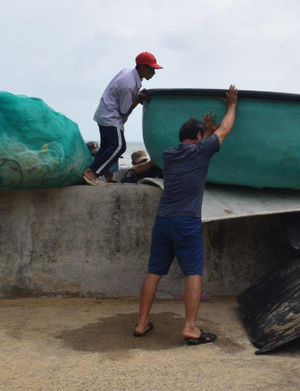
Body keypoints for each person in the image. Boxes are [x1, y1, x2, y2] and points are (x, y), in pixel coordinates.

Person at [133, 85, 238, 345]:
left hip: (163, 221)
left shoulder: (169, 154)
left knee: (153, 272)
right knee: (193, 273)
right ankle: (190, 328)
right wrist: (232, 106)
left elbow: (209, 140)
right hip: (186, 222)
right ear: (199, 136)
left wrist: (207, 134)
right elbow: (225, 131)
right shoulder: (201, 151)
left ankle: (142, 323)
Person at [83, 52, 162, 186]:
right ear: (142, 67)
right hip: (111, 117)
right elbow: (124, 110)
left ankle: (106, 174)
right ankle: (92, 173)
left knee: (106, 147)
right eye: (151, 68)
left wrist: (137, 96)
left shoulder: (129, 73)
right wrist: (138, 99)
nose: (154, 72)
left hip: (103, 113)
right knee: (119, 146)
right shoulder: (128, 84)